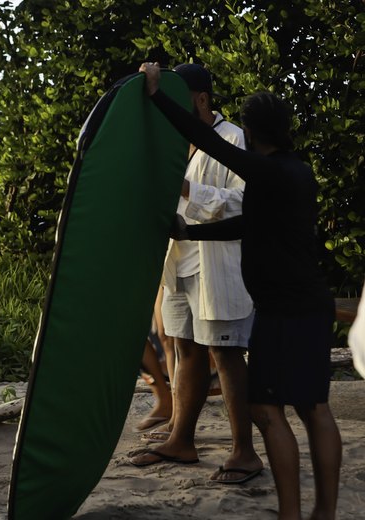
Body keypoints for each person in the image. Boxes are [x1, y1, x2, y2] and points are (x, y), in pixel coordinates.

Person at [140, 62, 342, 520]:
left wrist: (156, 95)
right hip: (310, 304)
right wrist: (191, 233)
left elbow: (207, 138)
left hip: (282, 309)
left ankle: (291, 514)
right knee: (314, 409)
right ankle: (323, 514)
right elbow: (251, 225)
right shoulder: (297, 172)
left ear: (250, 133)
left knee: (266, 410)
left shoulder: (265, 170)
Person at [131, 64, 263, 486]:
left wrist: (186, 190)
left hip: (218, 265)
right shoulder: (174, 141)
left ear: (201, 99)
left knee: (225, 355)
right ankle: (181, 440)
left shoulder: (234, 139)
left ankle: (244, 451)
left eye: (179, 96)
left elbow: (243, 203)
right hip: (178, 262)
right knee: (184, 350)